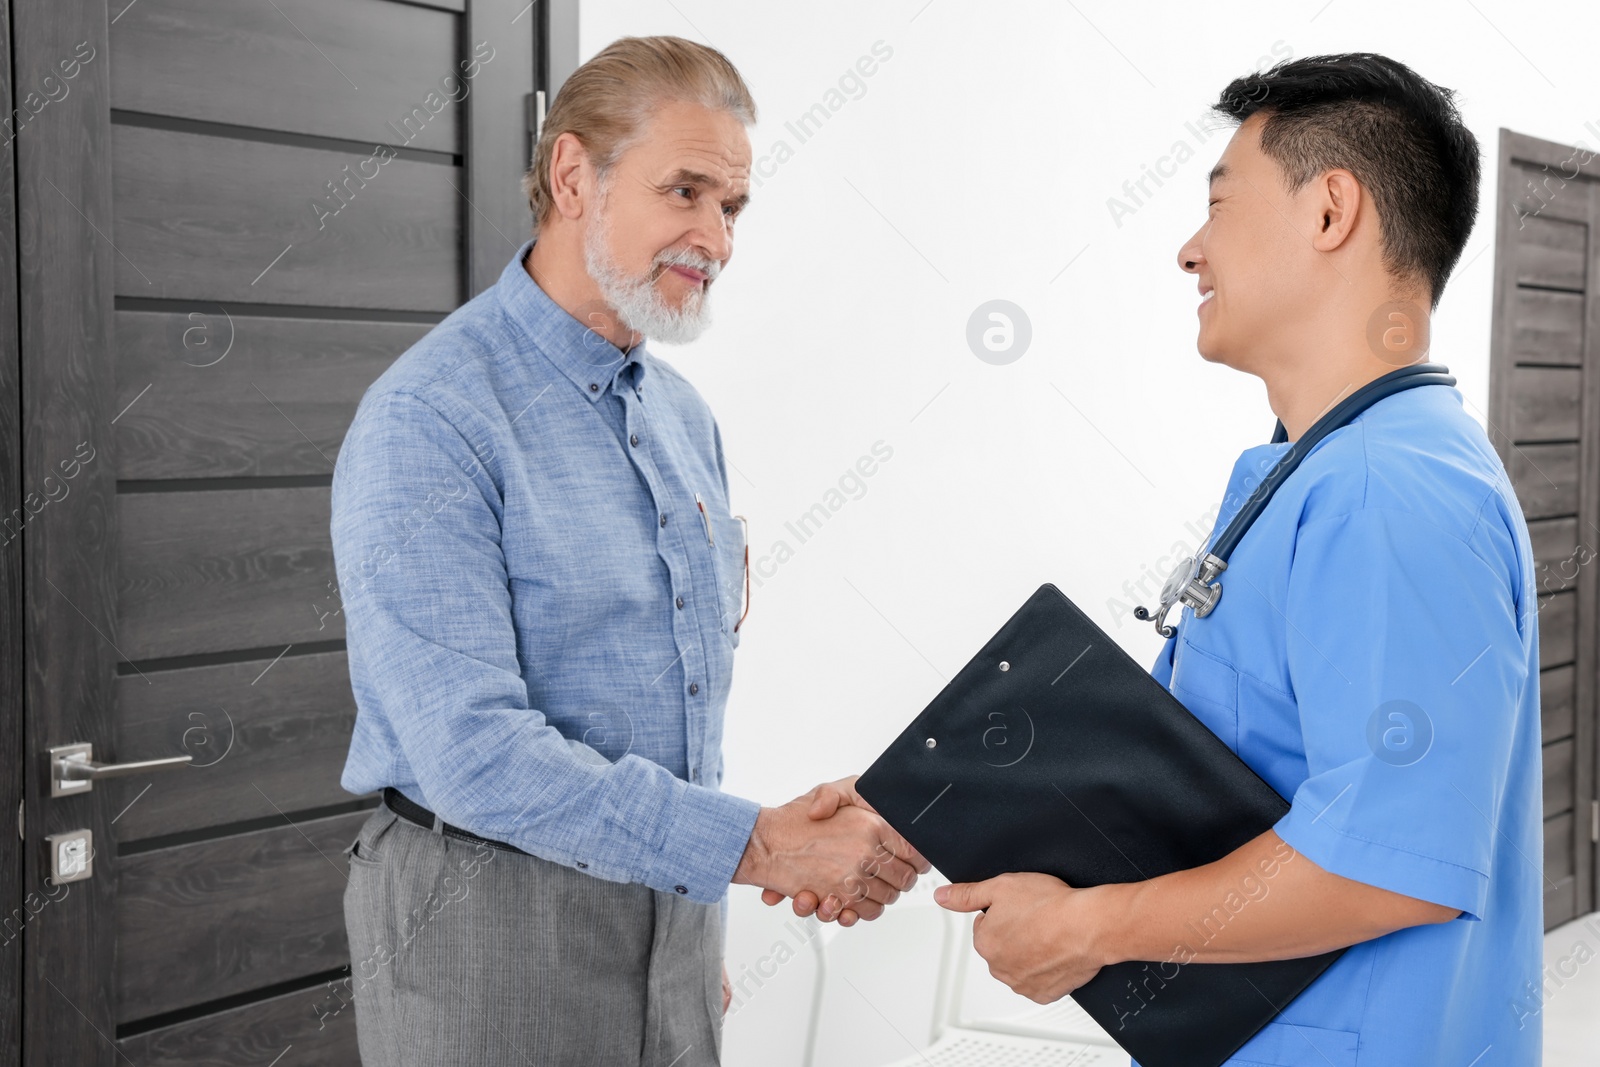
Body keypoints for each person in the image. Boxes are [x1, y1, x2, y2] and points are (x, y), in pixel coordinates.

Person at [930, 53, 1542, 1065]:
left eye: (1219, 203)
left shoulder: (1389, 490)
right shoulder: (1327, 469)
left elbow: (1389, 864)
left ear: (1330, 211)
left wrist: (1089, 928)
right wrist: (944, 800)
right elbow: (1234, 774)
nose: (1189, 249)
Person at [331, 36, 925, 1067]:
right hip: (484, 932)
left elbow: (678, 710)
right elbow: (471, 754)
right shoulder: (431, 416)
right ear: (573, 176)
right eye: (684, 191)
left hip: (672, 928)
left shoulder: (686, 420)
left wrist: (685, 946)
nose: (716, 238)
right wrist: (765, 844)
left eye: (731, 208)